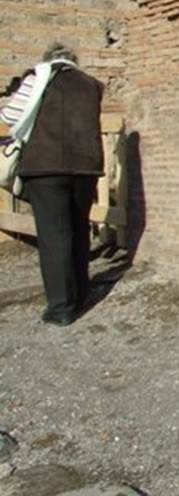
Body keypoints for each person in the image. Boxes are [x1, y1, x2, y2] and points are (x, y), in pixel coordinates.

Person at [0, 43, 104, 326]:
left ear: (48, 59)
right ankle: (81, 293)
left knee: (54, 236)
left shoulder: (39, 76)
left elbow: (9, 116)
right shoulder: (92, 85)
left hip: (45, 166)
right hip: (86, 166)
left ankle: (61, 308)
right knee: (79, 230)